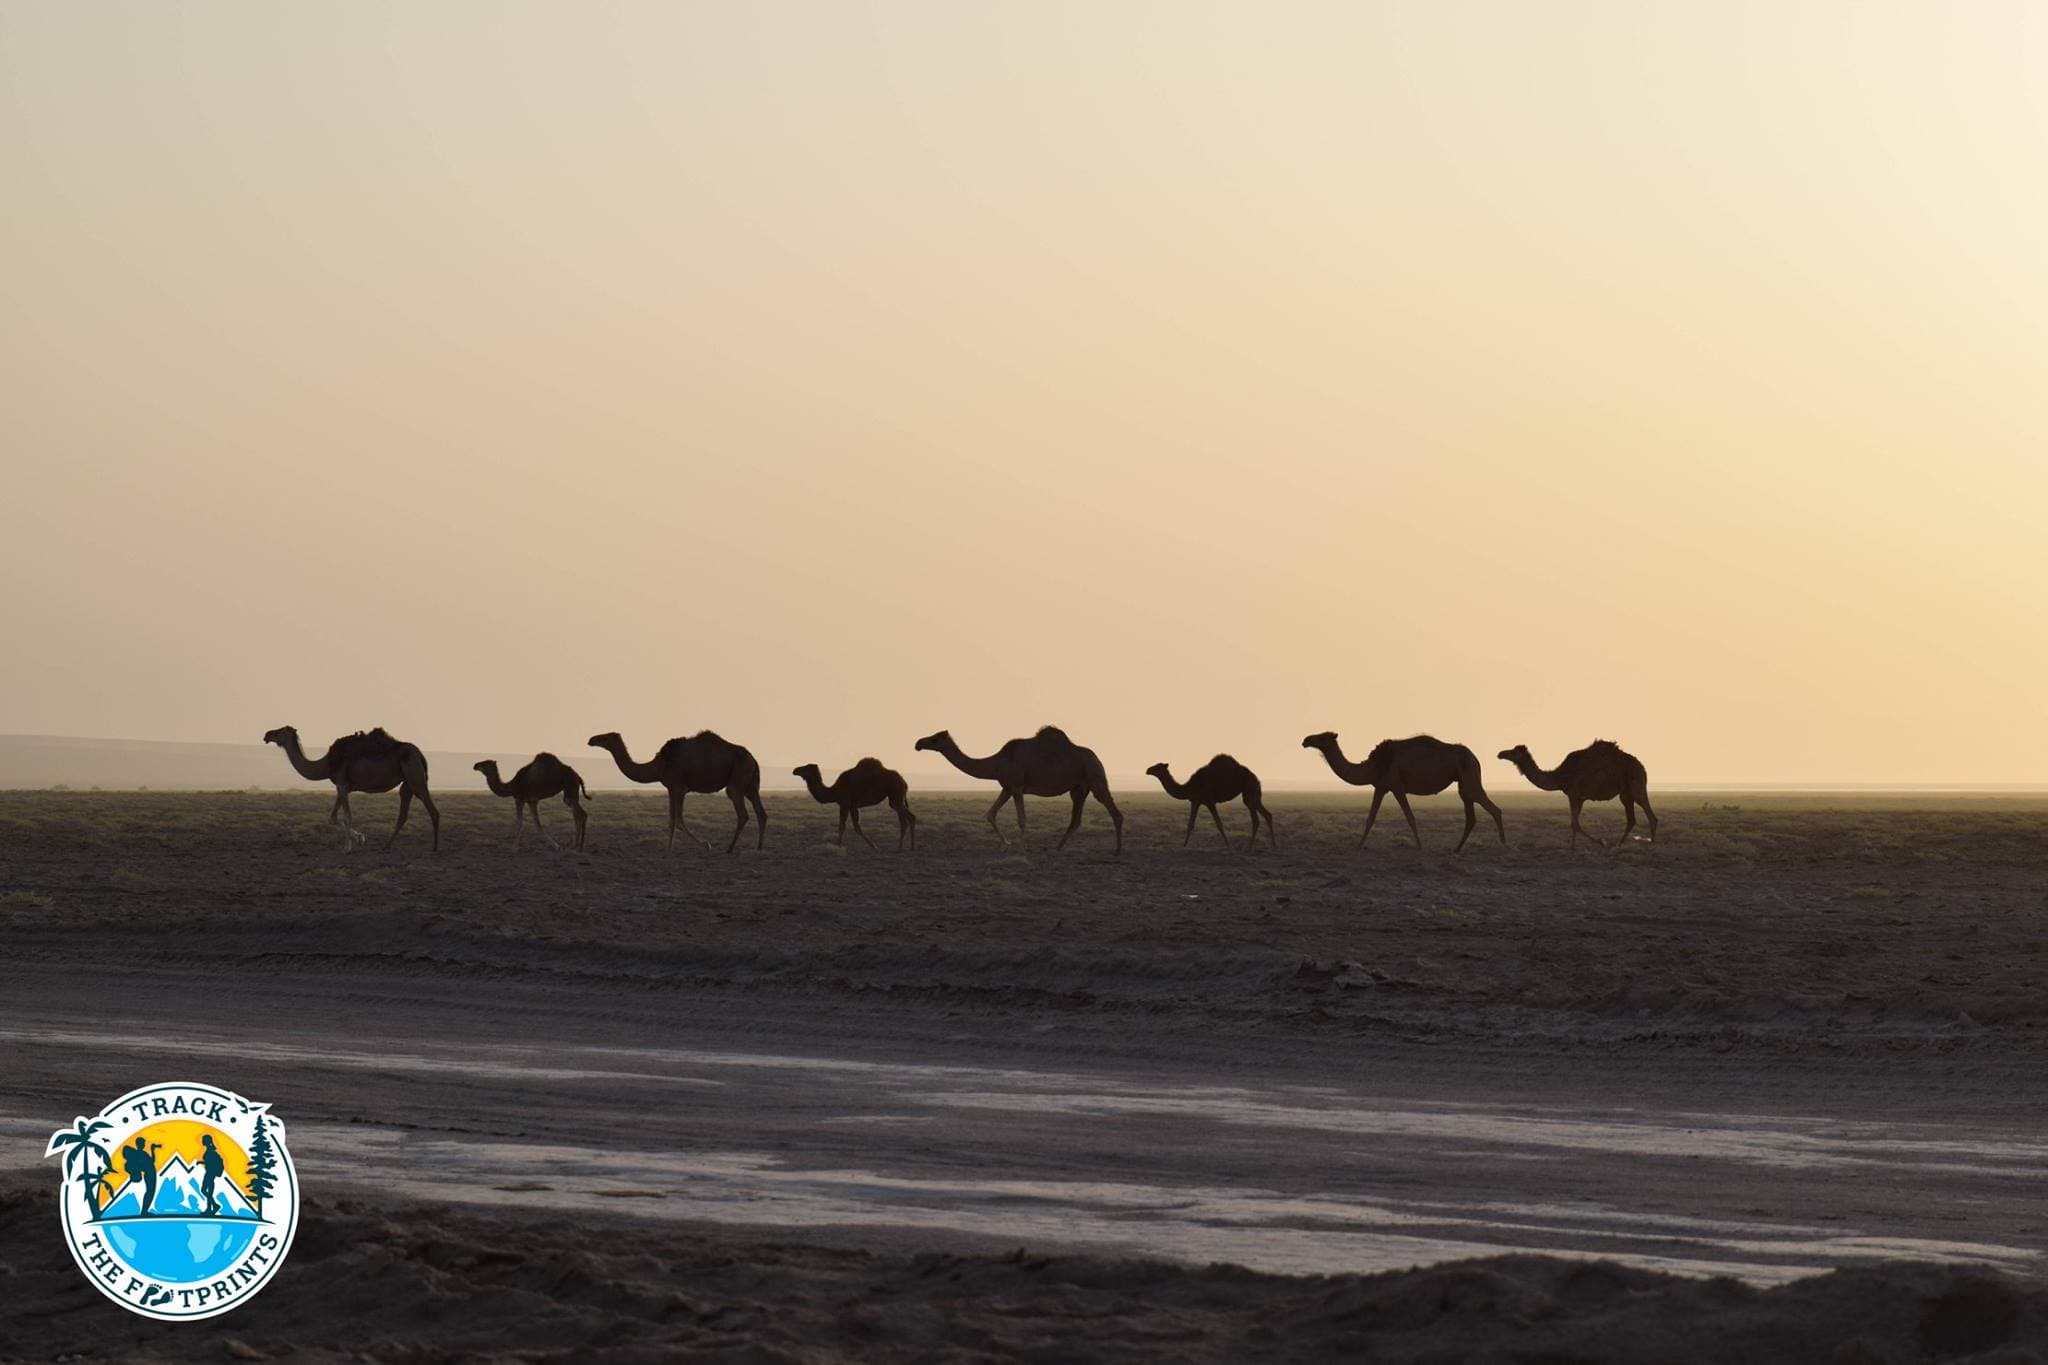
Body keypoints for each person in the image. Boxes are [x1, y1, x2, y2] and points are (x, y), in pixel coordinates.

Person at [120, 1136, 159, 1216]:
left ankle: (144, 1211)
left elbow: (150, 1162)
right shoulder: (140, 1154)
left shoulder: (140, 1153)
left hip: (150, 1173)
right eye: (143, 1143)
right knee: (150, 1192)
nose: (144, 1144)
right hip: (150, 1174)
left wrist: (152, 1149)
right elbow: (151, 1162)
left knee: (149, 1192)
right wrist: (152, 1149)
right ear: (139, 1144)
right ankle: (144, 1211)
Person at [198, 1134, 225, 1216]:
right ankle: (214, 1206)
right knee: (206, 1191)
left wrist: (203, 1162)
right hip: (209, 1173)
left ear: (206, 1141)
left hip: (210, 1173)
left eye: (203, 1140)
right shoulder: (210, 1150)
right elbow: (209, 1162)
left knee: (206, 1191)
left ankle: (210, 1208)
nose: (202, 1141)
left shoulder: (210, 1151)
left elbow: (211, 1162)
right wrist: (201, 1162)